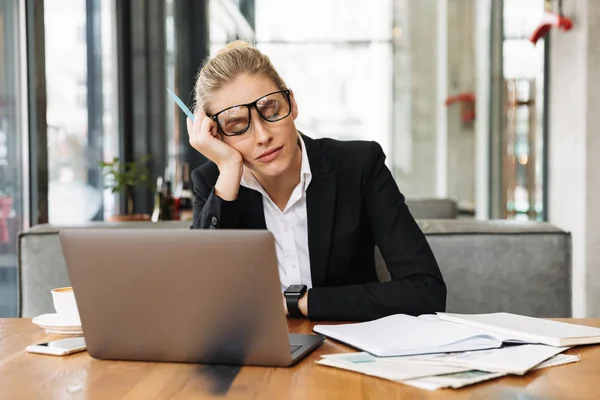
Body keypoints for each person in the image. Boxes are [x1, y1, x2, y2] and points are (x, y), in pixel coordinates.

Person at [187, 41, 446, 322]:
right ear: (216, 135)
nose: (262, 135)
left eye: (271, 110)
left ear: (292, 103)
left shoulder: (359, 165)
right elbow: (198, 303)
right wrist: (228, 170)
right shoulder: (215, 183)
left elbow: (426, 291)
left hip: (348, 349)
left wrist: (300, 302)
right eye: (237, 125)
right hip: (257, 356)